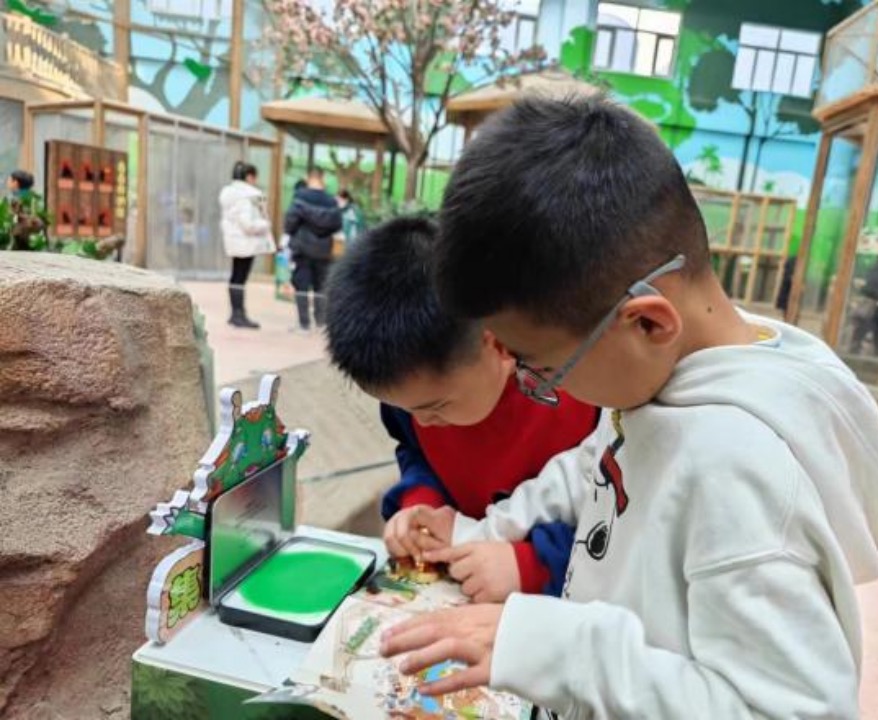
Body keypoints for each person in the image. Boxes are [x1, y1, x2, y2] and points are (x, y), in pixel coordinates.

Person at [378, 96, 878, 717]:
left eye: (543, 368)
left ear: (648, 322)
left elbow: (791, 710)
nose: (539, 386)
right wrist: (478, 531)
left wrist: (557, 650)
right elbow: (590, 468)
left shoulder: (738, 471)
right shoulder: (662, 381)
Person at [324, 217, 598, 601]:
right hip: (463, 574)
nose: (422, 422)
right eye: (404, 409)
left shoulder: (588, 391)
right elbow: (415, 451)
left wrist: (538, 565)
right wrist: (420, 503)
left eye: (436, 407)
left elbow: (628, 521)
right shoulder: (416, 397)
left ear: (497, 344)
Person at [284, 167, 341, 331]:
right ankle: (320, 321)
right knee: (320, 286)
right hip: (323, 249)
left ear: (308, 178)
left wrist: (291, 232)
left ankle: (304, 323)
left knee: (301, 284)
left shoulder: (300, 197)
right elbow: (337, 224)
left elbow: (290, 221)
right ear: (322, 178)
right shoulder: (331, 201)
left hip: (302, 247)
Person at [219, 162, 274, 329]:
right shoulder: (250, 195)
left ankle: (235, 313)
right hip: (247, 242)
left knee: (236, 276)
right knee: (240, 278)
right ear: (249, 177)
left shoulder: (228, 193)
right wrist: (265, 225)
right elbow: (248, 223)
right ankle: (238, 315)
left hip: (234, 241)